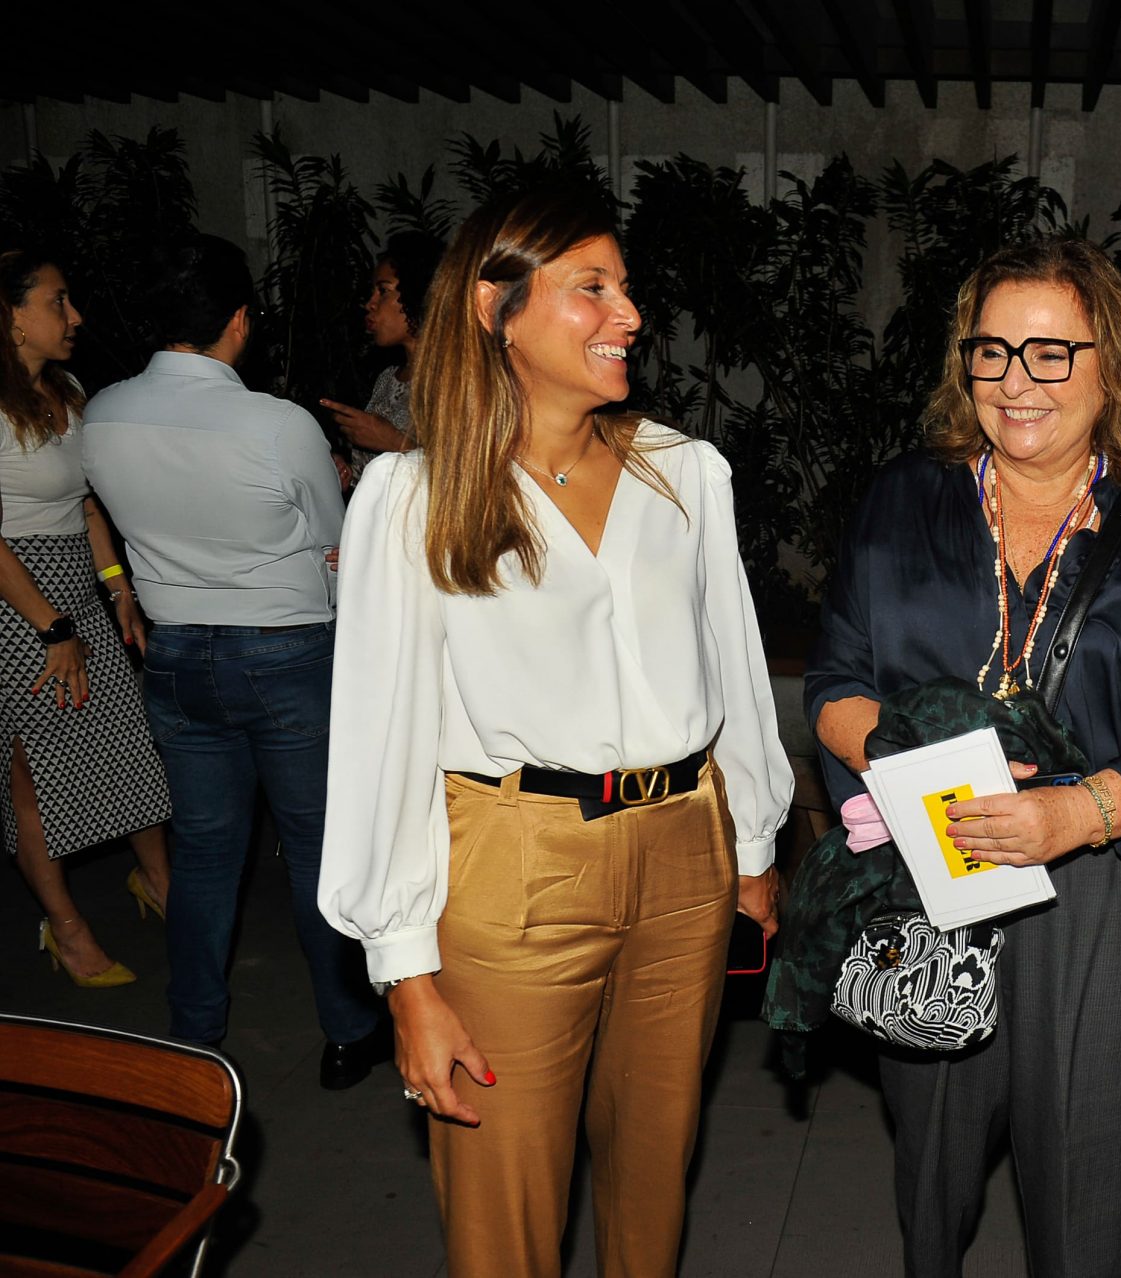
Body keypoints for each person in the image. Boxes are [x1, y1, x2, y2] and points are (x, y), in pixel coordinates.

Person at [317, 186, 792, 1278]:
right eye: (592, 289)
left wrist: (755, 849)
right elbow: (381, 738)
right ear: (498, 309)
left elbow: (734, 666)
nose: (629, 314)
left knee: (653, 1180)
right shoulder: (416, 495)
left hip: (685, 855)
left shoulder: (683, 472)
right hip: (513, 867)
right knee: (506, 1208)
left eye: (626, 287)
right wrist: (406, 976)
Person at [808, 235, 1121, 1278]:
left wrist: (1079, 812)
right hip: (932, 860)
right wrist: (903, 750)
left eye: (1052, 353)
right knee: (932, 1174)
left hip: (1105, 880)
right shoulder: (904, 501)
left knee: (1085, 1185)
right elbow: (833, 680)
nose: (1017, 382)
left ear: (1113, 367)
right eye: (993, 351)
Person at [81, 234, 382, 1085]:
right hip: (286, 653)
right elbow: (333, 540)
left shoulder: (101, 414)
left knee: (206, 854)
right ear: (240, 321)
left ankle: (192, 1034)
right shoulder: (276, 424)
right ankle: (347, 1030)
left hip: (176, 656)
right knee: (317, 849)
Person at [1, 247, 171, 986]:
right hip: (17, 604)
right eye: (57, 302)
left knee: (125, 737)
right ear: (11, 316)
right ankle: (66, 928)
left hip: (75, 589)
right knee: (33, 768)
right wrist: (53, 627)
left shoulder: (66, 389)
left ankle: (158, 880)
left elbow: (86, 503)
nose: (75, 316)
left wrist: (117, 587)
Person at [318, 231, 444, 484]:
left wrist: (397, 443)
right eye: (371, 293)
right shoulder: (387, 379)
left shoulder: (462, 380)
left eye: (383, 291)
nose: (370, 304)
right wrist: (345, 471)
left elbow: (473, 477)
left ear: (421, 293)